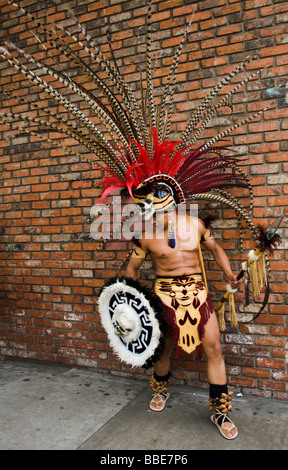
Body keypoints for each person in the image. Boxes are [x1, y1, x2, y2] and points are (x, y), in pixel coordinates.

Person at [125, 186, 239, 440]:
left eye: (160, 212)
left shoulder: (196, 225)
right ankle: (161, 388)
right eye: (152, 213)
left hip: (198, 293)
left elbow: (216, 249)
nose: (156, 218)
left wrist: (229, 272)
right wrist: (133, 300)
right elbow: (131, 268)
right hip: (164, 294)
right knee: (163, 348)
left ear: (173, 207)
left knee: (215, 348)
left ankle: (220, 410)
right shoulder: (146, 236)